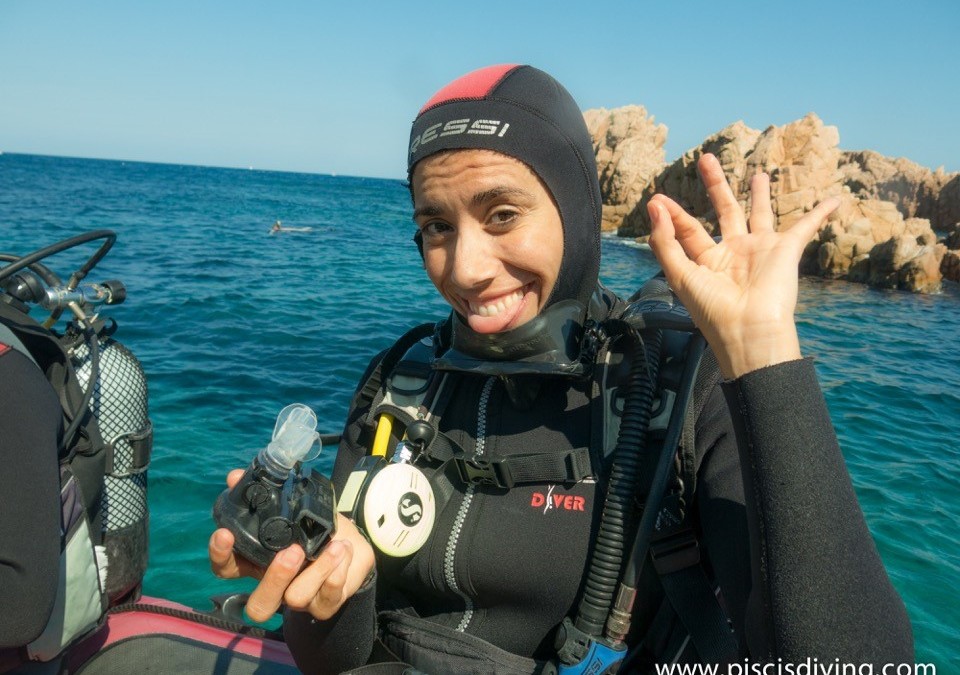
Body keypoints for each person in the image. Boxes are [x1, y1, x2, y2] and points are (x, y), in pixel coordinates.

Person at [209, 64, 913, 673]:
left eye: (503, 213)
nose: (466, 268)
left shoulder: (677, 391)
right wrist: (340, 595)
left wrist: (762, 354)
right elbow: (336, 658)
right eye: (436, 226)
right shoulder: (403, 382)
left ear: (579, 214)